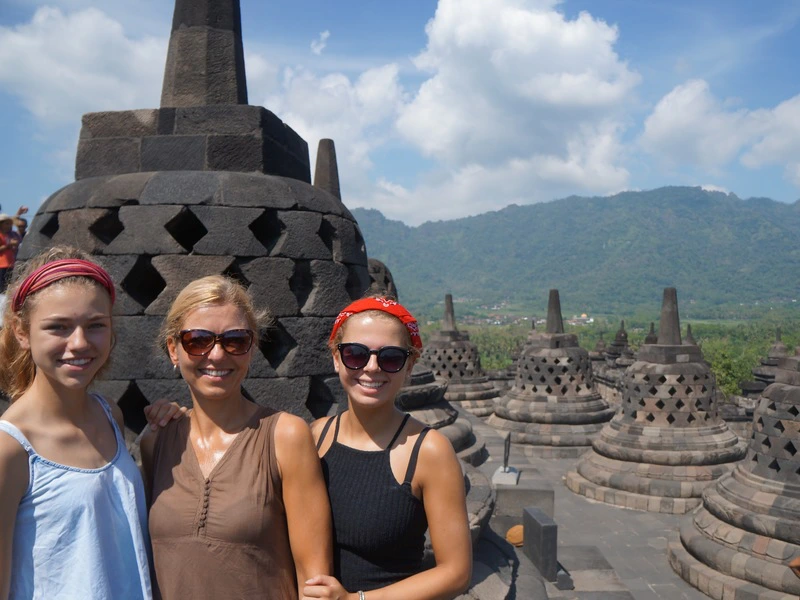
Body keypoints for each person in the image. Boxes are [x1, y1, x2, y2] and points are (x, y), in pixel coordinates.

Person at [0, 247, 179, 599]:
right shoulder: (10, 449)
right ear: (22, 332)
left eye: (95, 325)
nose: (79, 343)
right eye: (58, 327)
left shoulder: (108, 414)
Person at [140, 275, 332, 600]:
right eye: (197, 340)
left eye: (235, 340)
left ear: (251, 348)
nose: (216, 355)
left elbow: (315, 582)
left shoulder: (284, 436)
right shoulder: (156, 440)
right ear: (174, 349)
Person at [304, 297, 472, 600]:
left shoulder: (428, 452)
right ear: (336, 358)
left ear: (409, 366)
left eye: (390, 358)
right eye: (355, 354)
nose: (371, 368)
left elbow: (456, 572)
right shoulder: (317, 435)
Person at [0, 215, 18, 294]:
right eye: (6, 224)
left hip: (10, 264)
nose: (9, 226)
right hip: (1, 265)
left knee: (8, 286)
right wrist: (9, 245)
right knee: (1, 287)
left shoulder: (8, 235)